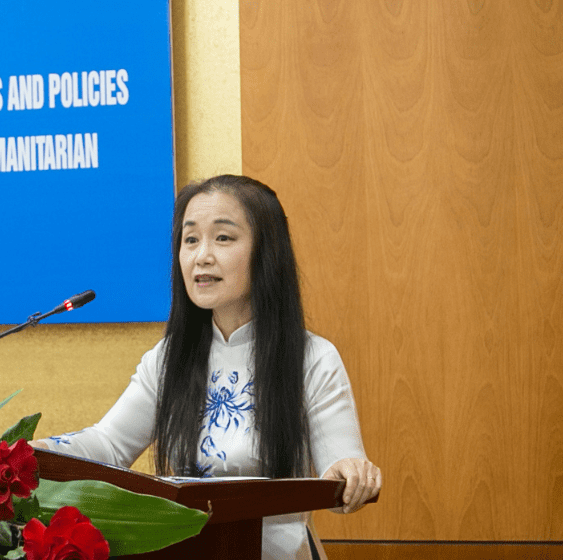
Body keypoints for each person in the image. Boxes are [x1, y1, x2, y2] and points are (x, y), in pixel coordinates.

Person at [32, 174, 381, 560]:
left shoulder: (312, 357)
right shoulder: (168, 358)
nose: (202, 256)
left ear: (267, 253)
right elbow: (109, 446)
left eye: (224, 238)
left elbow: (340, 473)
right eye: (191, 239)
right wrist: (33, 451)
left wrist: (351, 472)